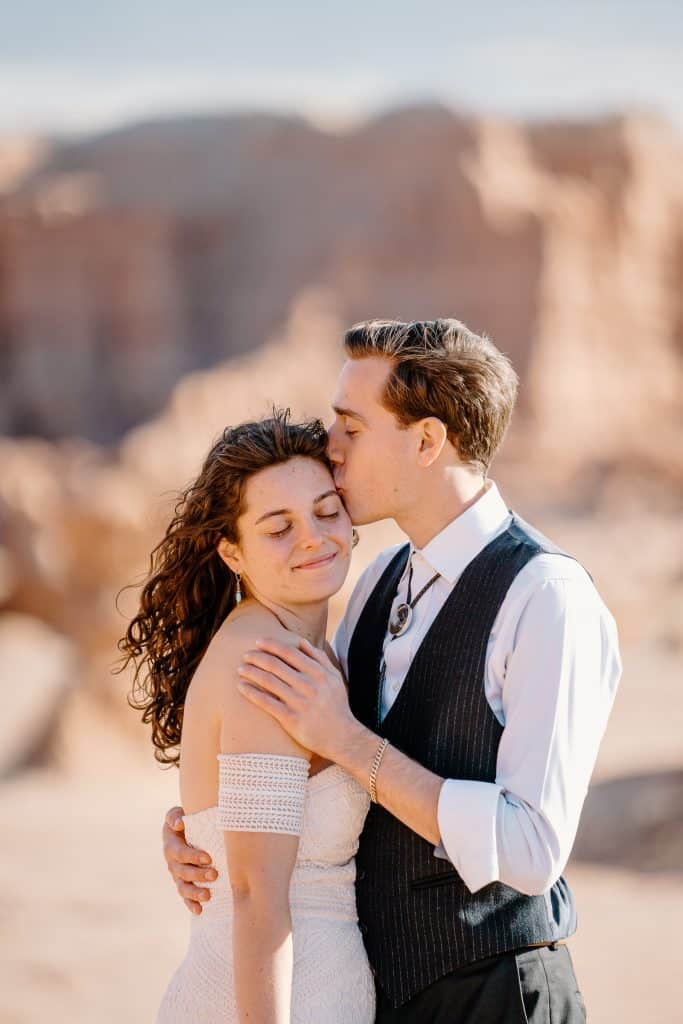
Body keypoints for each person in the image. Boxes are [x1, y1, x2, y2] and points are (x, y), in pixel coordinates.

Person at [163, 319, 621, 1023]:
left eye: (350, 425)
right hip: (381, 991)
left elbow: (530, 849)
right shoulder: (374, 582)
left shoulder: (546, 597)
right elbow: (298, 771)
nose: (330, 445)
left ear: (427, 441)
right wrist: (208, 833)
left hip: (497, 995)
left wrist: (350, 743)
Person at [120, 410, 376, 1023]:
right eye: (277, 528)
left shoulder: (306, 647)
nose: (313, 538)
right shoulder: (268, 661)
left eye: (325, 511)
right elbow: (255, 896)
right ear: (233, 553)